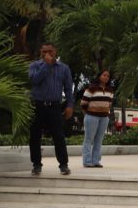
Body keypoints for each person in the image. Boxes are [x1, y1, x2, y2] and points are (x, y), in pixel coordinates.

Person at [28, 42, 74, 176]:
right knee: (35, 137)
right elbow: (34, 81)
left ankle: (64, 165)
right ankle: (36, 165)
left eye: (50, 51)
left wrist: (70, 105)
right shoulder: (34, 66)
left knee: (59, 136)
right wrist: (46, 66)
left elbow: (68, 88)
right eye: (44, 52)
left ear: (55, 52)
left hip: (54, 106)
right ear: (40, 53)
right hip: (37, 105)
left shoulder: (64, 68)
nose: (47, 54)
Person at [79, 69, 113, 168]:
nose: (106, 77)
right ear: (99, 76)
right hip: (91, 117)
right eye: (104, 75)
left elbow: (109, 103)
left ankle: (96, 161)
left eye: (108, 76)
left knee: (99, 140)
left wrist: (105, 113)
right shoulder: (91, 88)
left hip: (104, 118)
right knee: (88, 139)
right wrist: (89, 113)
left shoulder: (110, 90)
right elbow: (83, 104)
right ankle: (87, 162)